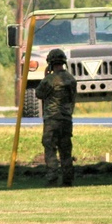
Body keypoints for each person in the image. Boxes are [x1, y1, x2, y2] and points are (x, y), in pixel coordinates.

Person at [36, 48, 77, 186]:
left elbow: (39, 94)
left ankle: (52, 177)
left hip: (52, 119)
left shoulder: (49, 80)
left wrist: (45, 76)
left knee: (50, 148)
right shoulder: (71, 79)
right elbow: (72, 98)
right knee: (65, 150)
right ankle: (68, 179)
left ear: (50, 63)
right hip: (66, 119)